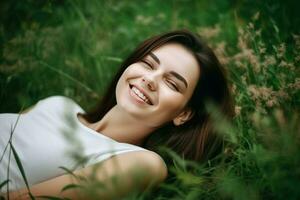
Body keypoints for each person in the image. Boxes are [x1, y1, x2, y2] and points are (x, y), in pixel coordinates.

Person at [0, 29, 234, 199]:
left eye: (172, 83)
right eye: (148, 64)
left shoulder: (143, 164)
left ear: (184, 114)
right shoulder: (59, 104)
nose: (149, 79)